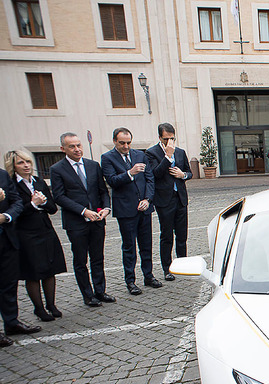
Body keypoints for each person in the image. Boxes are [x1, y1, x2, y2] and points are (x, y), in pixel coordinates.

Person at [50, 132, 115, 308]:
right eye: (72, 146)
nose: (77, 149)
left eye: (79, 145)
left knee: (98, 258)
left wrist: (106, 209)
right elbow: (59, 197)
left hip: (97, 221)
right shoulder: (57, 169)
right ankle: (88, 295)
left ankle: (100, 291)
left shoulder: (93, 165)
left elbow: (102, 191)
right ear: (63, 149)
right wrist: (83, 211)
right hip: (76, 223)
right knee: (81, 261)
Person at [6, 150, 66, 322]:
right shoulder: (12, 185)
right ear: (13, 166)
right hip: (26, 233)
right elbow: (14, 211)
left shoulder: (38, 182)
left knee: (50, 267)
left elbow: (53, 208)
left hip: (45, 229)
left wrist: (45, 202)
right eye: (21, 163)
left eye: (28, 162)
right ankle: (38, 308)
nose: (26, 166)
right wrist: (33, 204)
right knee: (33, 272)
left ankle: (51, 304)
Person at [102, 127, 161, 296]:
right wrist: (130, 173)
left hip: (144, 208)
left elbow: (150, 179)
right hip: (126, 210)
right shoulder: (107, 158)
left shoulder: (139, 155)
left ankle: (148, 276)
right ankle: (130, 281)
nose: (126, 146)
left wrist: (147, 199)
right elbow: (112, 181)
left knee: (146, 245)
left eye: (128, 142)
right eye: (122, 143)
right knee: (129, 247)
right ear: (115, 141)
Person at [0, 167, 41, 346]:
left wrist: (7, 216)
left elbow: (16, 200)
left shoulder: (1, 175)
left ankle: (12, 322)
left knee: (9, 283)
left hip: (6, 236)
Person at [146, 123, 192, 281]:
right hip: (164, 200)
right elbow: (155, 174)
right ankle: (167, 268)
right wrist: (167, 156)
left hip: (180, 198)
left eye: (172, 138)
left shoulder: (181, 152)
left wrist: (183, 175)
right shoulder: (151, 153)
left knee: (182, 235)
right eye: (166, 139)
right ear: (160, 138)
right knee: (166, 236)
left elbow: (189, 172)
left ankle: (183, 265)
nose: (170, 142)